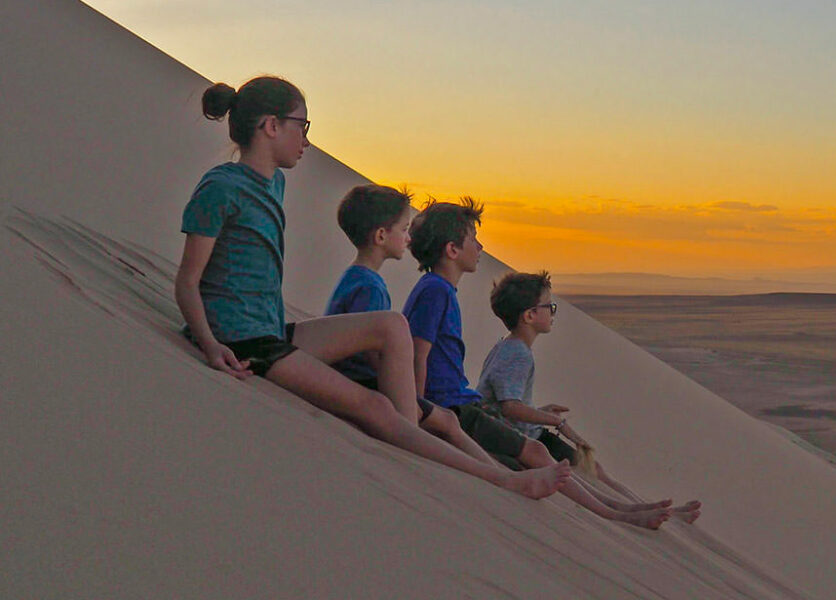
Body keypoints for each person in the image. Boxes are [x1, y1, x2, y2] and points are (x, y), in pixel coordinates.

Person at [174, 76, 569, 500]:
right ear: (271, 126)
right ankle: (495, 478)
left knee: (392, 325)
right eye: (301, 126)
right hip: (242, 343)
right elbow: (188, 281)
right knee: (374, 407)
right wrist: (212, 344)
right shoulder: (222, 188)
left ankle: (409, 433)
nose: (306, 139)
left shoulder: (275, 183)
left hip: (271, 330)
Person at [402, 200, 678, 528]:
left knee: (539, 455)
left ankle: (615, 506)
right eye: (473, 238)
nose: (479, 246)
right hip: (452, 408)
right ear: (451, 249)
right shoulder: (437, 292)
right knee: (537, 455)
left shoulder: (439, 290)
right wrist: (415, 413)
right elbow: (417, 354)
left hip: (461, 405)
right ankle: (613, 513)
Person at [479, 271, 701, 523]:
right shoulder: (517, 353)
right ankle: (624, 512)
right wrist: (554, 421)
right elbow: (509, 408)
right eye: (549, 306)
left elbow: (503, 402)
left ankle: (650, 508)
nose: (553, 313)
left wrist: (541, 411)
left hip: (527, 432)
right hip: (524, 439)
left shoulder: (506, 346)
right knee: (583, 475)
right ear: (529, 315)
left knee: (594, 470)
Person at [325, 183, 501, 464]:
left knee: (451, 425)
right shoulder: (370, 287)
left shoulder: (359, 279)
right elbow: (375, 354)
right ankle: (495, 474)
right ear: (382, 236)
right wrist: (412, 401)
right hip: (363, 384)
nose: (409, 239)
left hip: (368, 382)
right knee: (448, 425)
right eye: (403, 230)